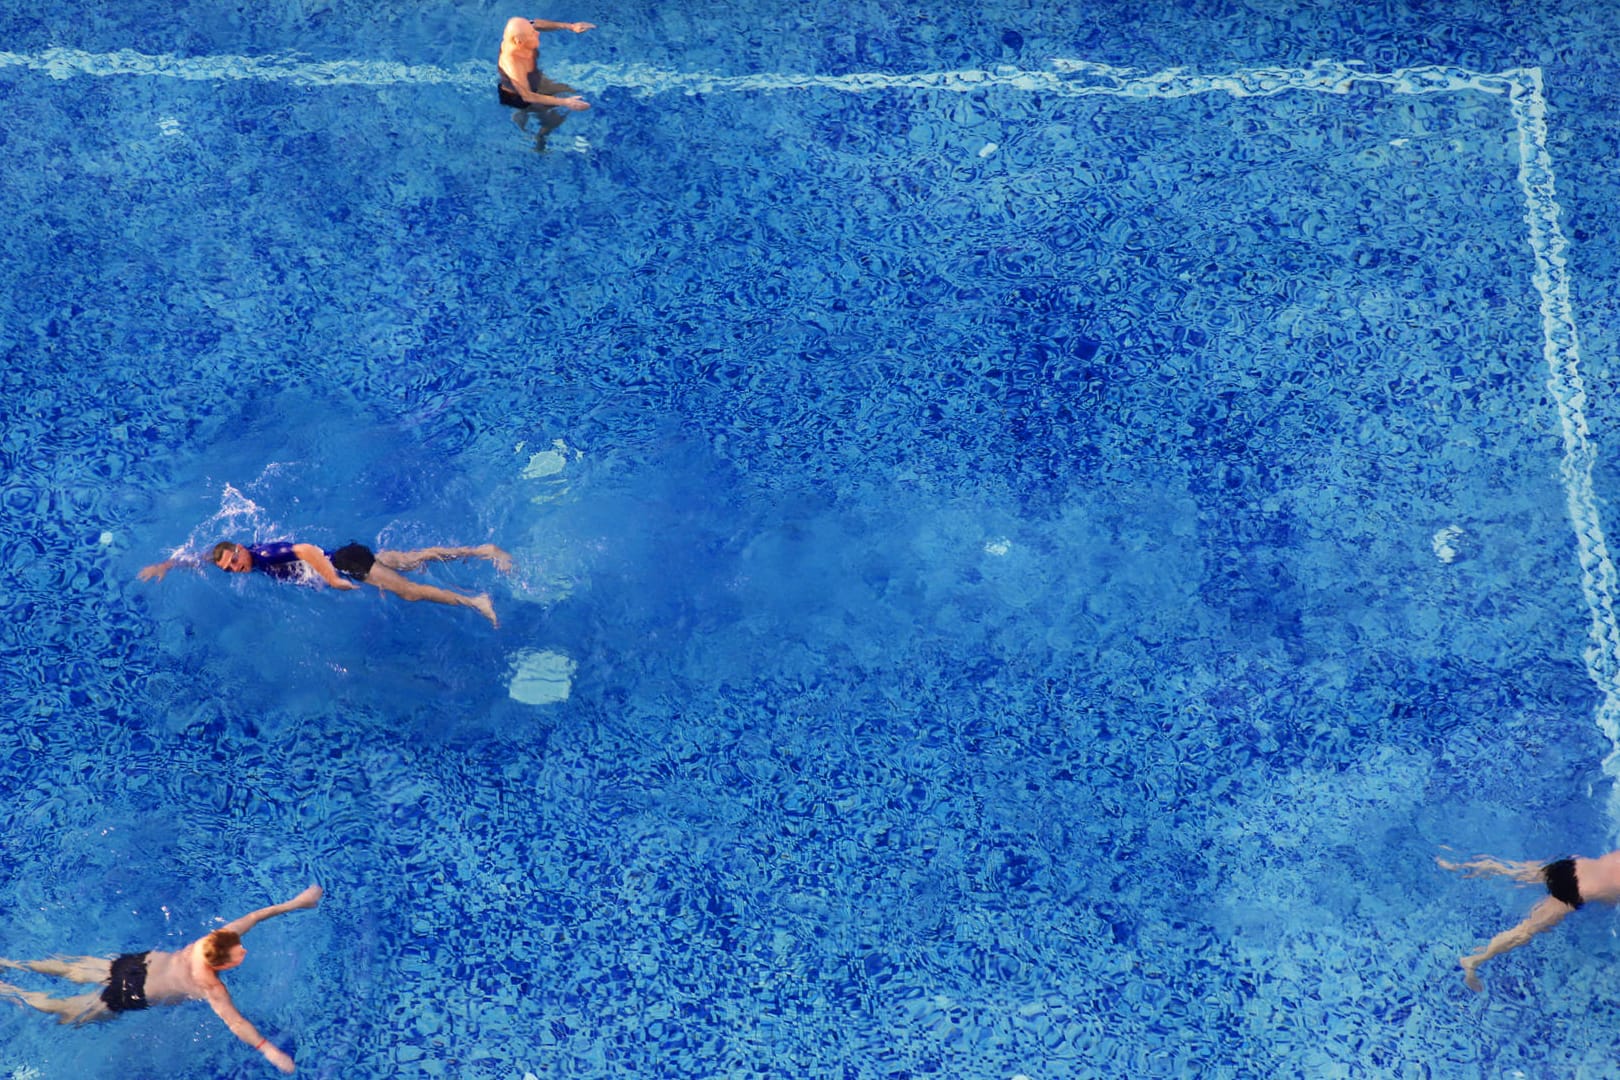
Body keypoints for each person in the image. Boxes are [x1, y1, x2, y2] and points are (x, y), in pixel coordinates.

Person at [0, 884, 323, 1074]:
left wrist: (298, 902)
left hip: (133, 964)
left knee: (68, 968)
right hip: (130, 994)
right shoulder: (209, 984)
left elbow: (254, 916)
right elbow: (236, 1024)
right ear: (221, 966)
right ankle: (8, 989)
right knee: (66, 1011)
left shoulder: (213, 939)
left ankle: (10, 963)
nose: (244, 951)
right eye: (238, 955)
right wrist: (268, 1049)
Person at [139, 539, 512, 627]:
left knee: (411, 593)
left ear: (240, 548)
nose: (235, 569)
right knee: (414, 559)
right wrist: (167, 565)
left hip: (346, 564)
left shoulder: (264, 555)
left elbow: (305, 550)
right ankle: (482, 550)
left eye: (234, 561)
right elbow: (203, 558)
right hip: (350, 552)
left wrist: (332, 578)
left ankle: (475, 601)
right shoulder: (244, 557)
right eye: (229, 569)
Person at [1436, 850, 1620, 990]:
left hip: (1573, 866)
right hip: (1579, 890)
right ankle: (1474, 960)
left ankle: (1458, 866)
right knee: (1526, 930)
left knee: (1512, 870)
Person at [499, 15, 594, 149]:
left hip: (533, 79)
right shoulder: (513, 64)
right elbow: (527, 96)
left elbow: (536, 24)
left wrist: (571, 26)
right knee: (554, 119)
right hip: (520, 95)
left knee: (570, 90)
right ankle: (539, 141)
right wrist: (565, 102)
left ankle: (522, 115)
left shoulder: (519, 35)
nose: (537, 33)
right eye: (532, 34)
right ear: (519, 42)